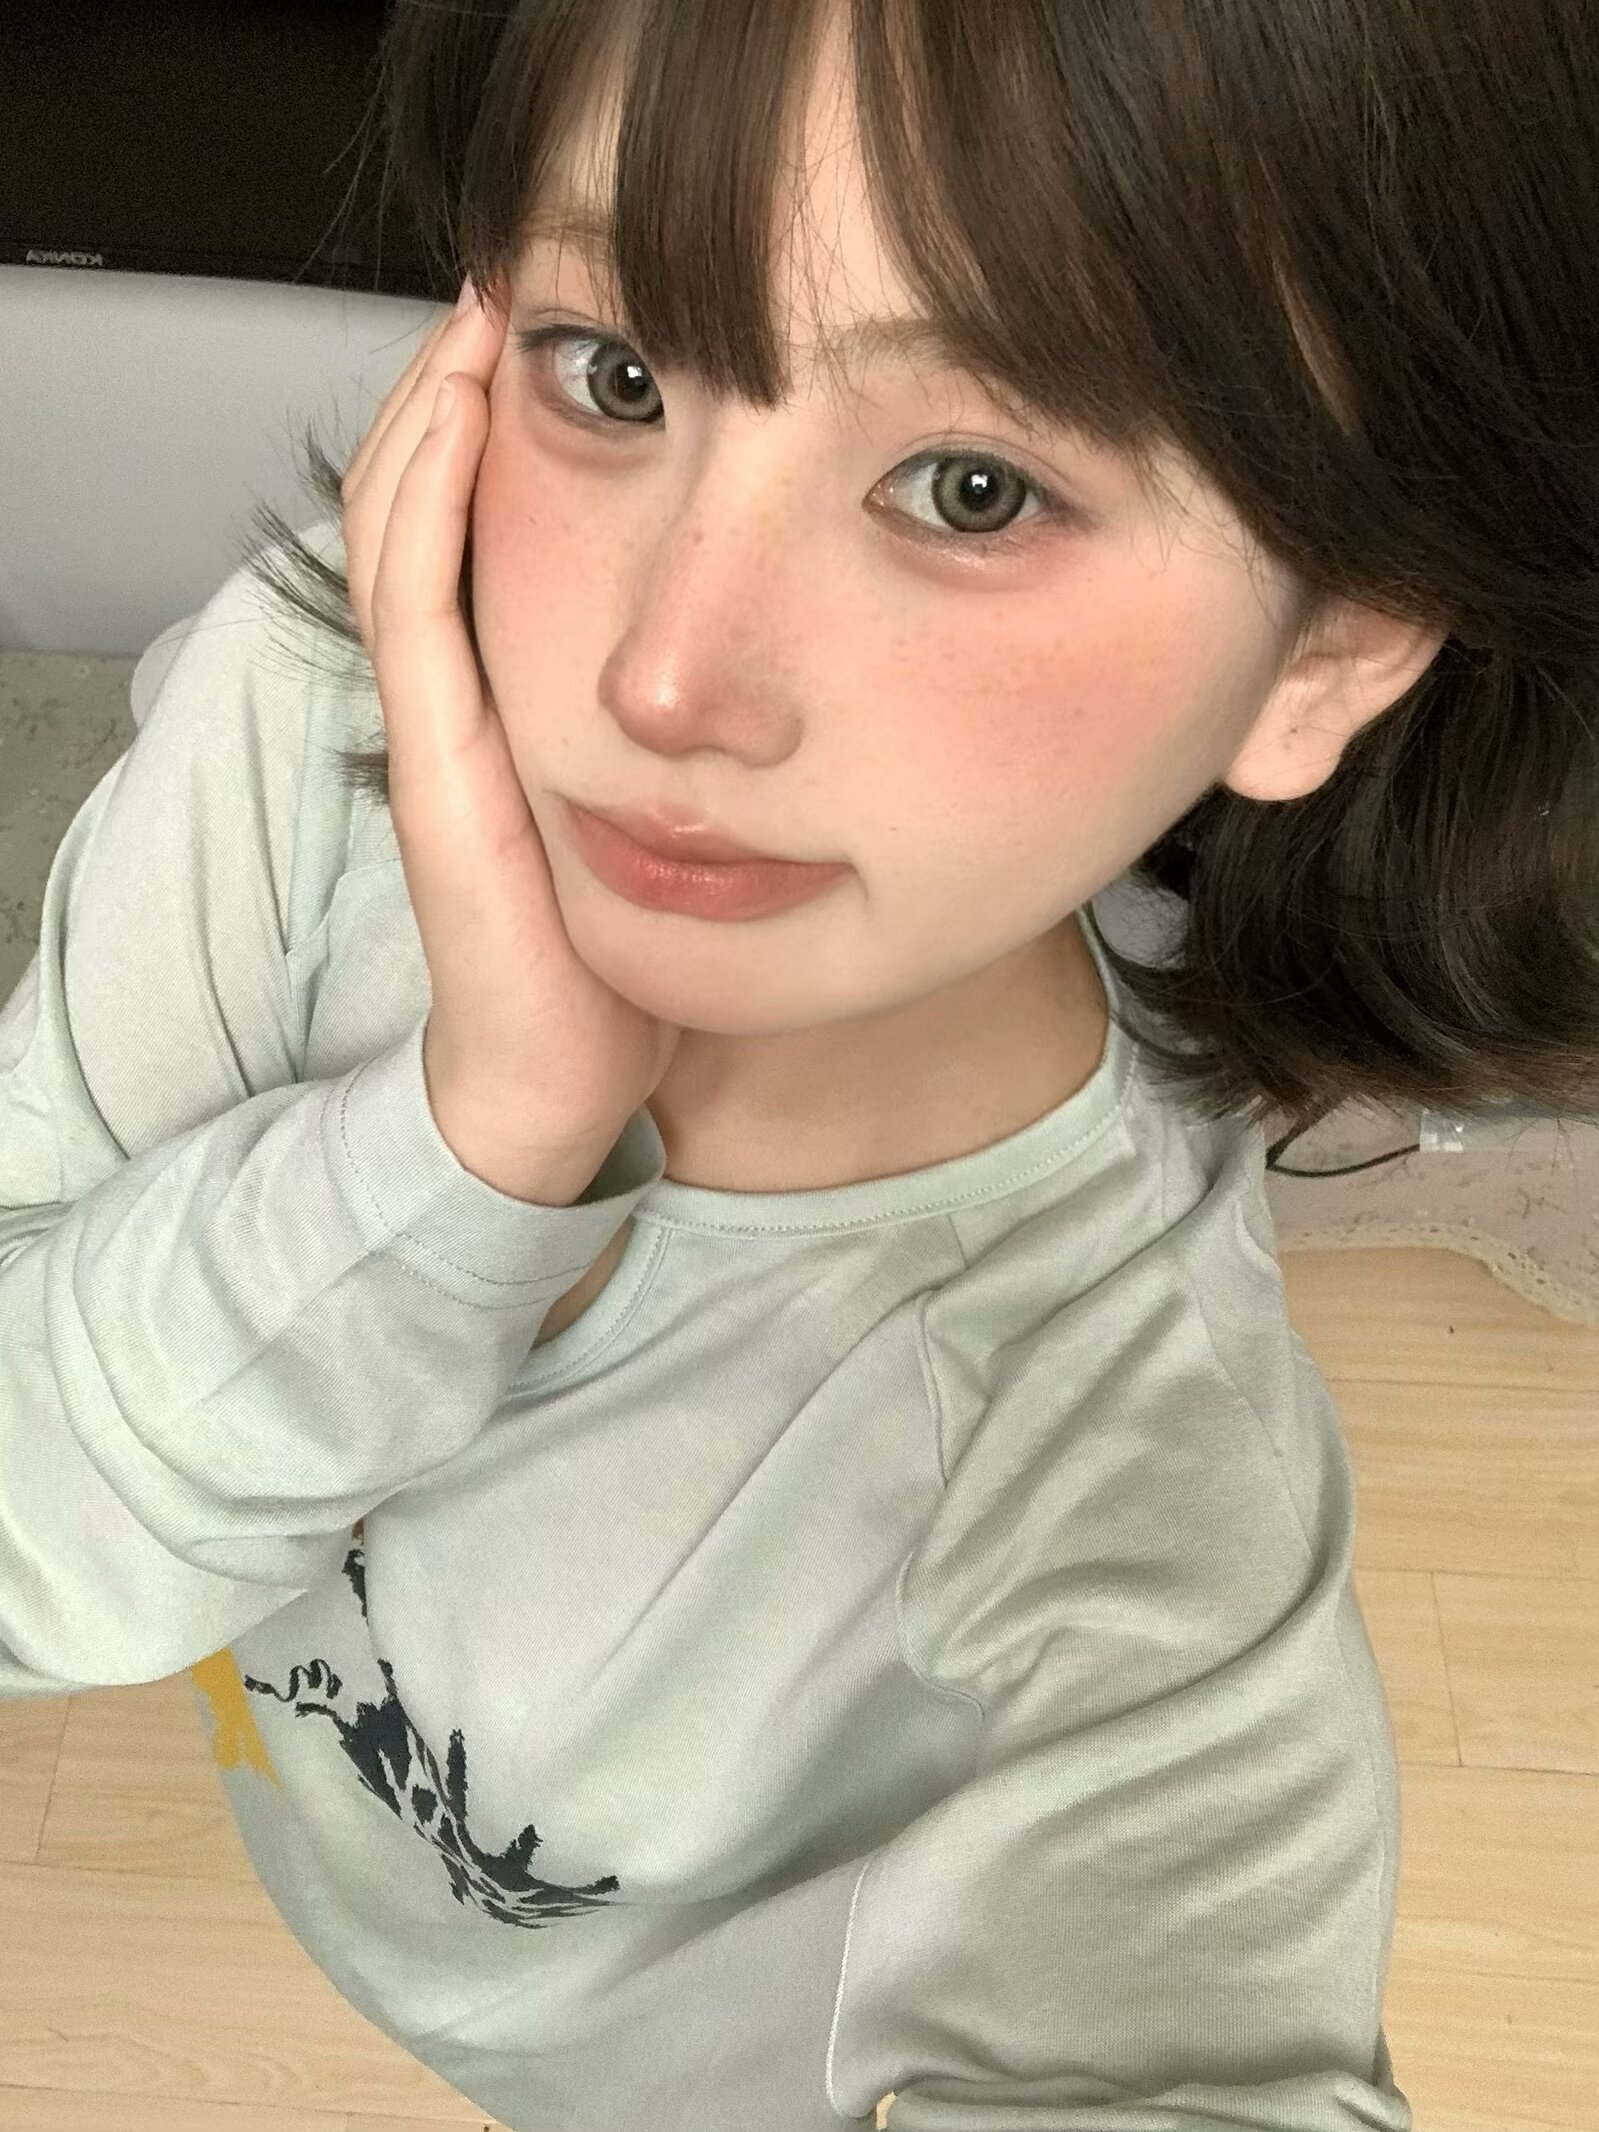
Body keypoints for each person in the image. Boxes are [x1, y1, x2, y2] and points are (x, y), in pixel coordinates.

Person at [3, 2, 1595, 2128]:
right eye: (616, 372)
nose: (664, 675)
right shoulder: (315, 701)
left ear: (1323, 646)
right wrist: (472, 1138)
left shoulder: (1125, 1527)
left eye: (970, 487)